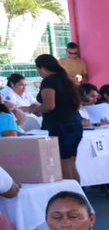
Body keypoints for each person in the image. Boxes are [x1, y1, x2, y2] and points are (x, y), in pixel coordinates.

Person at [34, 54, 84, 182]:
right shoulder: (66, 79)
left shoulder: (49, 81)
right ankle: (79, 195)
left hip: (60, 126)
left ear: (42, 68)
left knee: (63, 165)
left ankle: (71, 196)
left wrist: (37, 110)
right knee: (71, 163)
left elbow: (49, 105)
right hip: (75, 123)